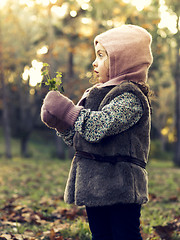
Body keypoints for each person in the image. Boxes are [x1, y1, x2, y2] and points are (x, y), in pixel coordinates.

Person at [41, 24, 153, 240]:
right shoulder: (94, 94)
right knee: (101, 235)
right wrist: (61, 124)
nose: (94, 62)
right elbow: (82, 139)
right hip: (93, 184)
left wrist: (67, 110)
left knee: (124, 235)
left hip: (121, 186)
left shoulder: (131, 97)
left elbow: (98, 127)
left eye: (101, 56)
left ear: (123, 60)